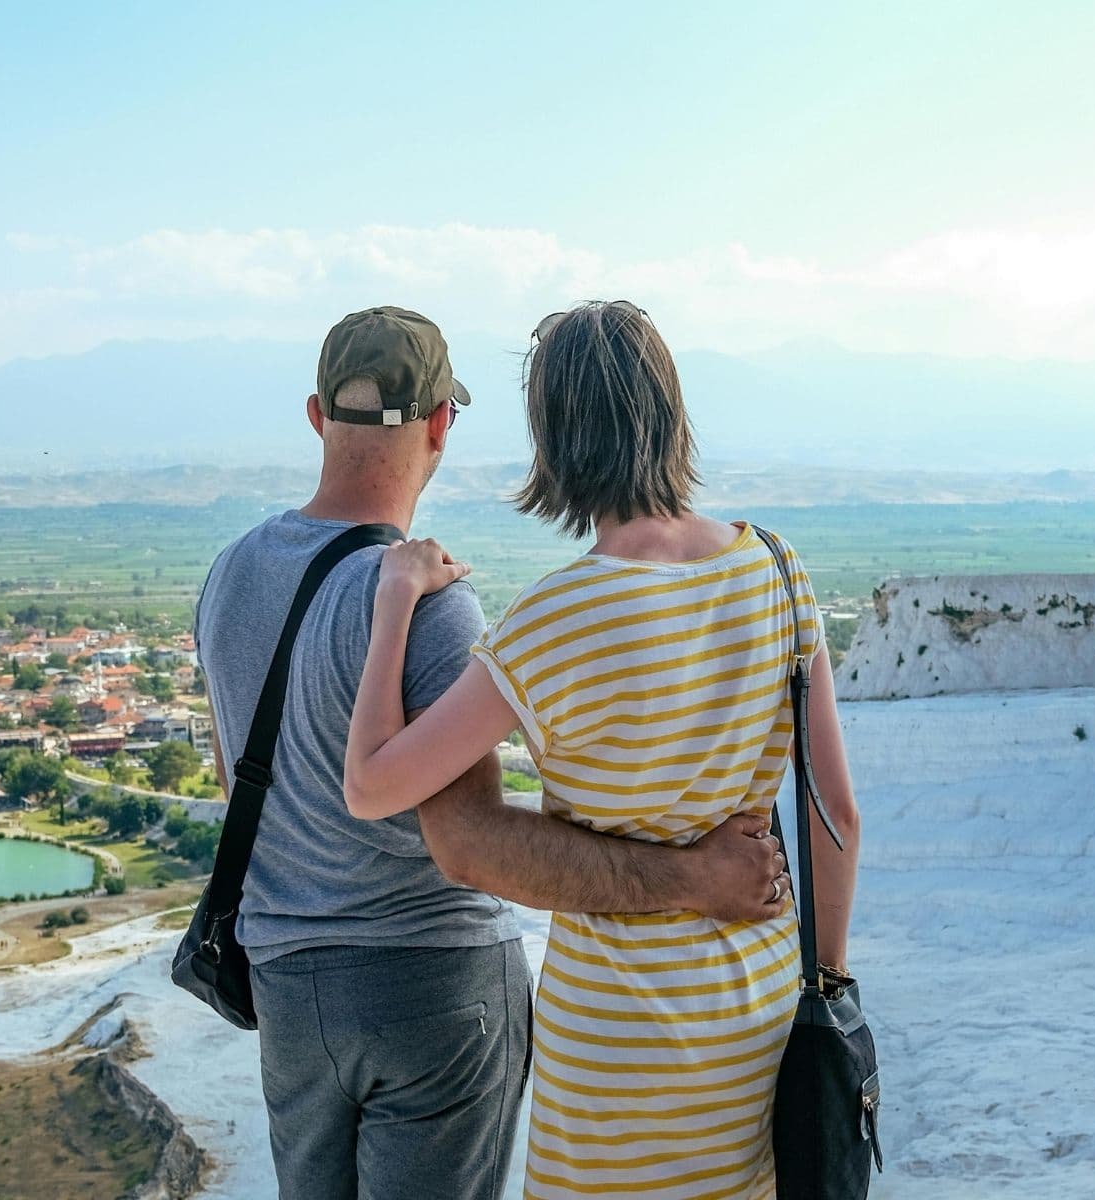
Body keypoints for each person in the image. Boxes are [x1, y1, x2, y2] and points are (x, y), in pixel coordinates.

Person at [194, 305, 792, 1200]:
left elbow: (236, 777)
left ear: (317, 416)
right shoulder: (433, 600)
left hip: (287, 989)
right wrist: (691, 877)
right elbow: (467, 842)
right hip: (434, 984)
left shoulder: (229, 574)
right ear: (442, 424)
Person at [344, 301, 862, 1199]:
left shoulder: (558, 616)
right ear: (669, 413)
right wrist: (829, 983)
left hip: (618, 1037)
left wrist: (395, 603)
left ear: (555, 437)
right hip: (760, 1009)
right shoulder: (780, 571)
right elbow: (834, 812)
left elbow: (371, 786)